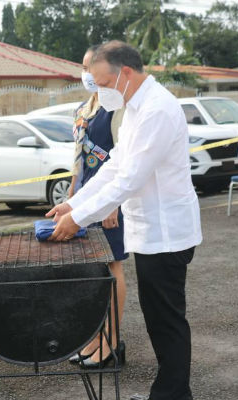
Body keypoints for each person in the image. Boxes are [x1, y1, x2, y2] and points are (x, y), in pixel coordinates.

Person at [46, 41, 202, 400]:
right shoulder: (136, 105)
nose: (100, 91)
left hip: (166, 233)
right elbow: (115, 164)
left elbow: (129, 179)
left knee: (167, 322)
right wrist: (74, 203)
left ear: (126, 73)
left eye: (102, 82)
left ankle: (173, 395)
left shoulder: (157, 109)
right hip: (151, 231)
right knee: (160, 320)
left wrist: (80, 218)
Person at [67, 45, 128, 368]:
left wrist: (112, 204)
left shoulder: (116, 108)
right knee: (93, 272)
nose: (86, 73)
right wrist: (71, 198)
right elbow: (79, 162)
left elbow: (123, 160)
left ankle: (112, 343)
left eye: (91, 67)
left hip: (109, 202)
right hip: (86, 199)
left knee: (113, 267)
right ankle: (95, 338)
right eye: (83, 66)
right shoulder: (84, 107)